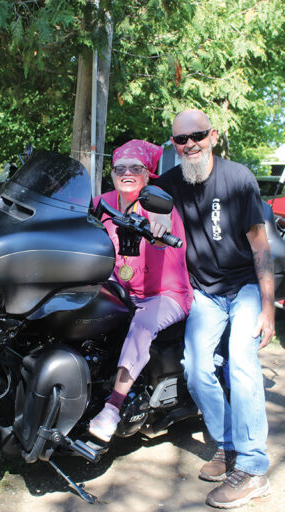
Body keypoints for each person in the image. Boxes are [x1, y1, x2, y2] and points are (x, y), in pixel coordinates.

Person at [154, 109, 275, 508]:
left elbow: (261, 245)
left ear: (213, 136)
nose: (189, 144)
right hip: (204, 291)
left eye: (197, 135)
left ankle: (255, 468)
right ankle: (228, 446)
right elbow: (139, 194)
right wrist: (152, 217)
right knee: (195, 367)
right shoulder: (171, 182)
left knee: (241, 361)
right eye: (180, 140)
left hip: (244, 287)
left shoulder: (238, 178)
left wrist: (269, 309)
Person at [88, 139, 193, 443]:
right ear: (111, 173)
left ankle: (112, 408)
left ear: (148, 174)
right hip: (118, 285)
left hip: (164, 292)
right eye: (120, 168)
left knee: (143, 325)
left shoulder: (156, 201)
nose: (127, 173)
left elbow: (161, 227)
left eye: (136, 168)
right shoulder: (101, 202)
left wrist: (159, 230)